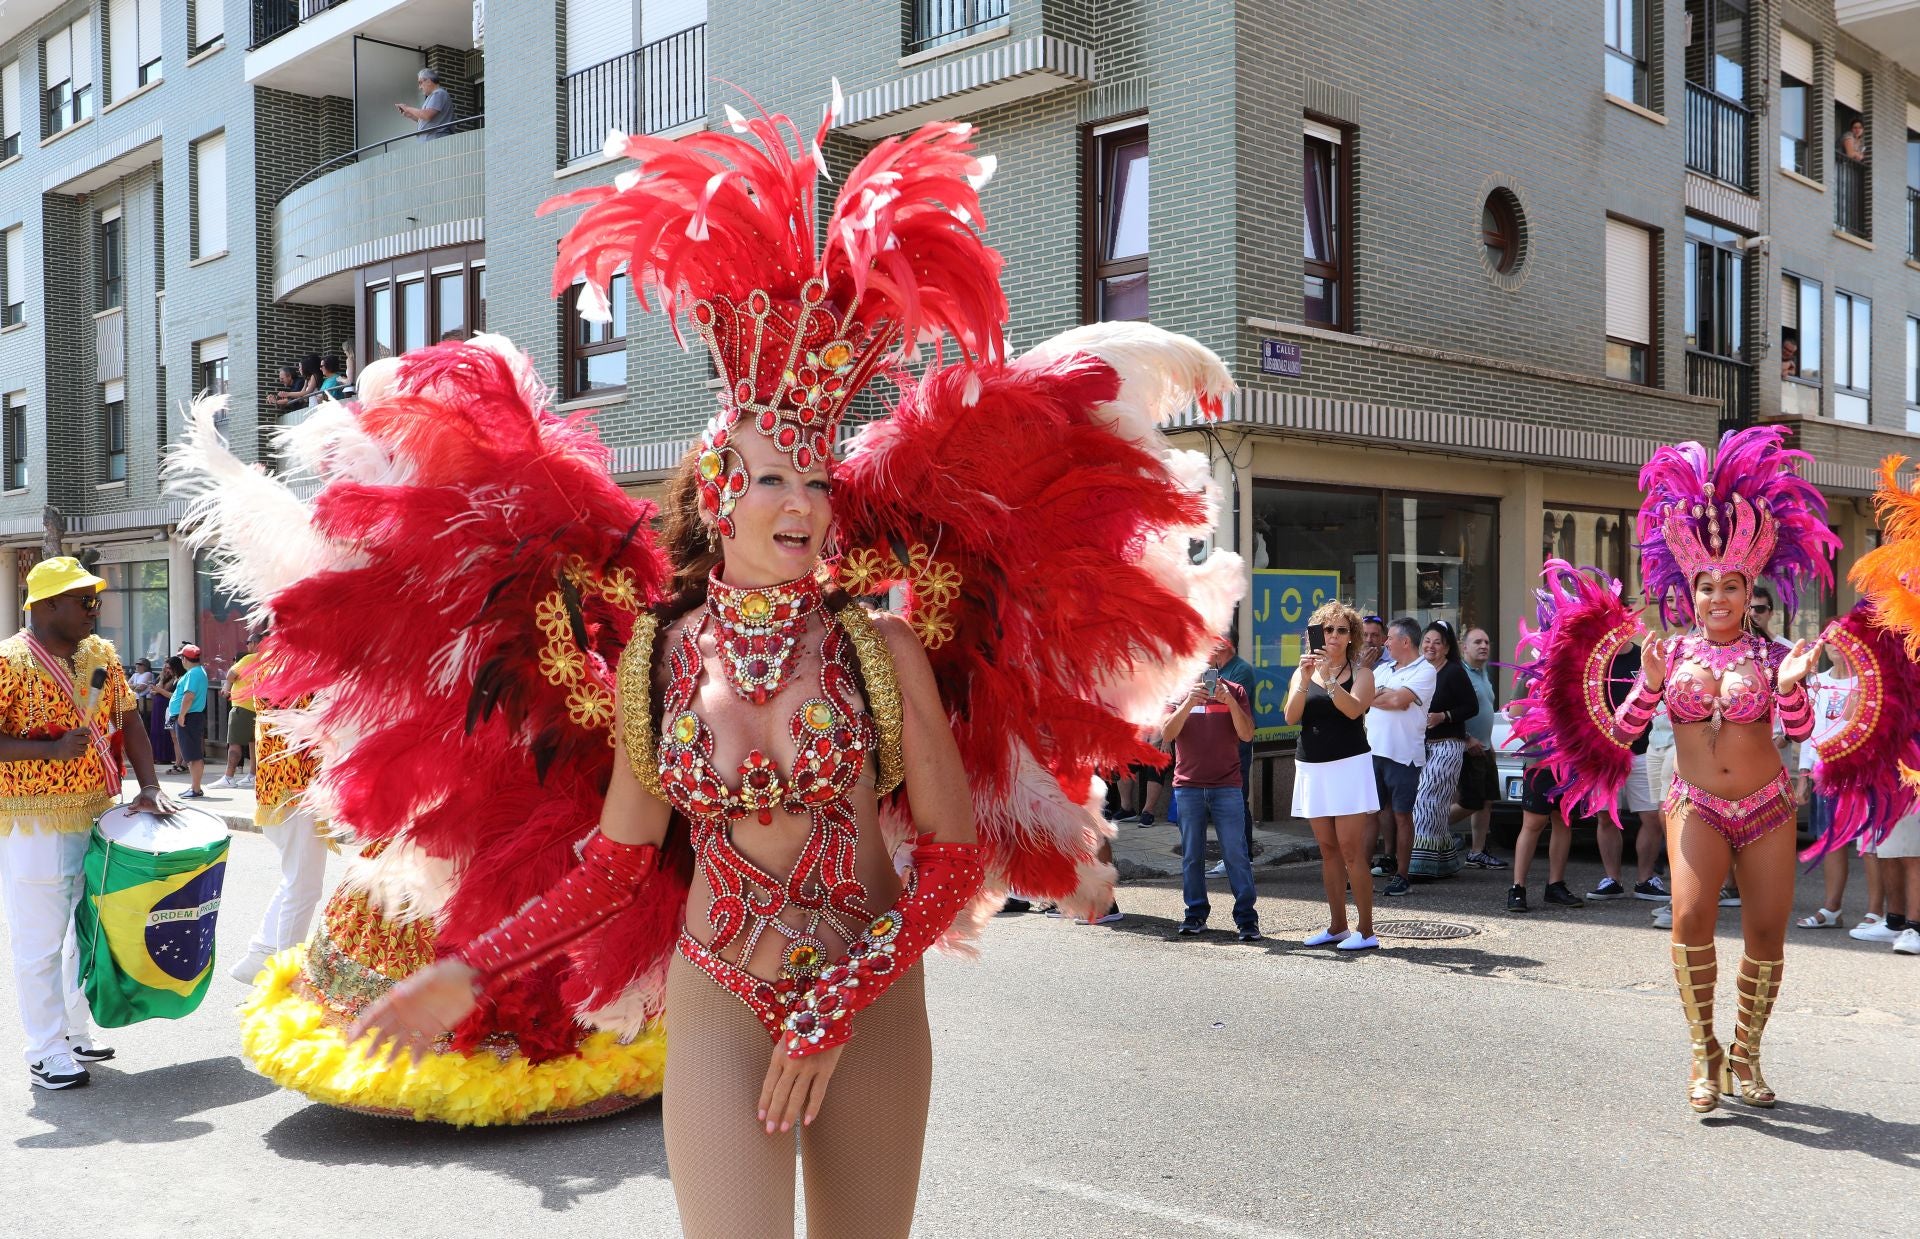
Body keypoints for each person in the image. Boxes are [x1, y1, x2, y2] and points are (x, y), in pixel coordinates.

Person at [255, 106, 1237, 1226]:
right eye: (775, 479)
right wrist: (468, 970)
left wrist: (839, 1004)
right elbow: (620, 868)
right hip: (718, 997)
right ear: (721, 493)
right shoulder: (658, 660)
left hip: (865, 999)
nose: (804, 505)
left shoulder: (883, 646)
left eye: (819, 483)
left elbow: (954, 858)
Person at [1525, 428, 1837, 1114]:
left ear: (1750, 589)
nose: (1719, 597)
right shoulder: (1669, 655)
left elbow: (1803, 733)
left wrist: (1788, 687)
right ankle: (1705, 1053)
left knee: (1766, 930)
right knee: (1690, 916)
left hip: (1767, 807)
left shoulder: (1775, 653)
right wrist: (1649, 683)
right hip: (1695, 803)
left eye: (1731, 585)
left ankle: (1748, 1053)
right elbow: (1622, 733)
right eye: (1706, 586)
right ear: (1689, 591)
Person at [0, 557, 171, 1089]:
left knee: (88, 929)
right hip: (35, 824)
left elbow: (130, 722)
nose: (96, 611)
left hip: (100, 812)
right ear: (48, 604)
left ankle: (74, 1030)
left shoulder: (102, 656)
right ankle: (44, 1048)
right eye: (85, 601)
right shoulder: (8, 662)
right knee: (40, 940)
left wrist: (149, 786)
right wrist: (48, 749)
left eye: (96, 601)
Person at [1285, 600, 1380, 950]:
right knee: (1328, 850)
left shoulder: (1363, 672)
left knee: (1352, 850)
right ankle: (1337, 925)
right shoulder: (1303, 671)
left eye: (1342, 630)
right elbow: (1291, 717)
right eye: (1328, 629)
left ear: (1352, 636)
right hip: (1311, 765)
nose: (1335, 636)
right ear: (1317, 633)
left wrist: (1327, 680)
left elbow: (1354, 710)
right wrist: (1305, 680)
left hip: (1349, 766)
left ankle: (1366, 931)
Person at [228, 659, 327, 983]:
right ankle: (285, 975)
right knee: (304, 887)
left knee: (296, 880)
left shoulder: (279, 666)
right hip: (295, 792)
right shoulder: (299, 670)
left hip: (285, 792)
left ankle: (260, 955)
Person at [1162, 658, 1261, 942]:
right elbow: (1167, 733)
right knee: (1192, 856)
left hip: (1227, 786)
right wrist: (1188, 703)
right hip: (1189, 787)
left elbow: (1246, 733)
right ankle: (1195, 914)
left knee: (1236, 854)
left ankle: (1246, 919)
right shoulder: (1178, 691)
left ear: (1217, 663)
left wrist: (1229, 701)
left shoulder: (1235, 690)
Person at [1589, 641, 1668, 903]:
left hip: (1643, 750)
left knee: (1652, 817)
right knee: (1605, 818)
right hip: (1603, 754)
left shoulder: (1643, 656)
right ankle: (1612, 879)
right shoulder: (1594, 660)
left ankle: (1646, 880)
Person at [1366, 618, 1435, 895]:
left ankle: (1403, 875)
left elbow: (1397, 701)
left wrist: (1379, 695)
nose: (1385, 643)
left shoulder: (1426, 671)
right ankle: (1361, 870)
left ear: (1405, 642)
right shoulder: (1383, 669)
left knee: (1402, 814)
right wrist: (1381, 694)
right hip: (1373, 751)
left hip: (1404, 754)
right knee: (1370, 812)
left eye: (1390, 638)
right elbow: (1361, 697)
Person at [1794, 647, 1857, 930]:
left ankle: (1879, 915)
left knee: (1871, 847)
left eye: (1842, 639)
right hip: (1823, 773)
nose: (1835, 645)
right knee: (1830, 841)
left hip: (1857, 773)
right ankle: (1832, 909)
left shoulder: (1867, 684)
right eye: (1828, 640)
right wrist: (1804, 774)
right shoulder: (1817, 681)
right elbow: (1810, 731)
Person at [1408, 620, 1475, 880]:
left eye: (1437, 642)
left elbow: (1471, 707)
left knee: (1426, 799)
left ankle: (1420, 865)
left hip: (1448, 745)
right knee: (1433, 805)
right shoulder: (1417, 671)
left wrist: (1444, 715)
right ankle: (1445, 861)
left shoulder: (1454, 672)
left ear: (1447, 648)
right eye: (1427, 641)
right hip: (1420, 745)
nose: (1431, 646)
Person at [1206, 637, 1259, 875]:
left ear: (1225, 644)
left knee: (1237, 802)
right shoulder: (1215, 670)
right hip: (1217, 747)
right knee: (1223, 803)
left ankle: (1243, 857)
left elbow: (1227, 704)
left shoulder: (1241, 670)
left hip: (1237, 746)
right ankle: (1232, 858)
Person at [1457, 627, 1506, 870]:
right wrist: (1466, 739)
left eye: (1486, 641)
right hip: (1467, 749)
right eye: (1477, 642)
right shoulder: (1460, 674)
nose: (1484, 646)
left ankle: (1477, 852)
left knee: (1486, 801)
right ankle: (1425, 831)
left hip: (1486, 748)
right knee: (1470, 802)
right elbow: (1453, 713)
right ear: (1464, 647)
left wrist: (1490, 746)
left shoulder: (1483, 673)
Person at [1506, 764, 1582, 912]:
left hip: (1571, 765)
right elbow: (1524, 739)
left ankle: (1555, 885)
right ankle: (1517, 888)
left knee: (1563, 821)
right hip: (1540, 765)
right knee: (1533, 823)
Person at [168, 643, 211, 798]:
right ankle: (195, 787)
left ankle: (196, 788)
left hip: (189, 717)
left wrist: (181, 715)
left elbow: (189, 696)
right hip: (191, 716)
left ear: (185, 659)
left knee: (193, 756)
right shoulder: (198, 671)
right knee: (192, 755)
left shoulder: (193, 673)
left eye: (181, 657)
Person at [212, 641, 256, 790]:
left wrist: (226, 688)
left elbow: (231, 674)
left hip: (242, 705)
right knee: (253, 744)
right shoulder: (268, 659)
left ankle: (229, 777)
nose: (247, 646)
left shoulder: (250, 658)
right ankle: (253, 774)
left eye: (249, 643)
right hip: (258, 706)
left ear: (255, 643)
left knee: (234, 743)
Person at [398, 67, 452, 140]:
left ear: (429, 81)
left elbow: (426, 115)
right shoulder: (433, 95)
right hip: (431, 139)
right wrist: (410, 115)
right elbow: (427, 120)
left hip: (436, 139)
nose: (419, 87)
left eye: (420, 82)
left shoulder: (439, 93)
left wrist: (407, 108)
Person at [149, 656, 178, 770]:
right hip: (157, 706)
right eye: (165, 667)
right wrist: (161, 679)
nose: (166, 670)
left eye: (168, 668)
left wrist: (158, 690)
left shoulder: (174, 679)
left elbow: (162, 690)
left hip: (166, 706)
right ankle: (157, 755)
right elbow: (154, 690)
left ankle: (166, 756)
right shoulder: (162, 677)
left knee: (166, 732)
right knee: (156, 729)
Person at [128, 656, 156, 725]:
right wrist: (136, 686)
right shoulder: (135, 674)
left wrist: (133, 686)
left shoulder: (148, 674)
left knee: (144, 723)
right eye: (136, 663)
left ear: (146, 666)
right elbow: (126, 686)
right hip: (135, 701)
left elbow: (140, 689)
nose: (137, 665)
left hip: (145, 703)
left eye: (140, 664)